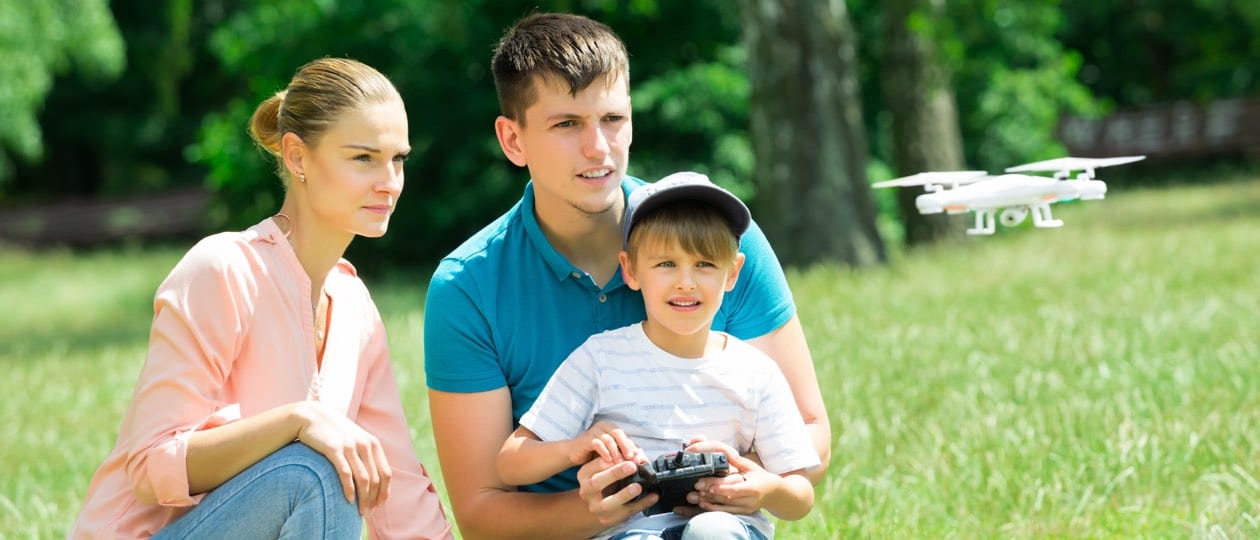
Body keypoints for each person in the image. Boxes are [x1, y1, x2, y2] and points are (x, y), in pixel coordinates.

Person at [423, 12, 831, 539]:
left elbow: (810, 437)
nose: (598, 148)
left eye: (612, 119)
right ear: (513, 139)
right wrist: (602, 507)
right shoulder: (466, 287)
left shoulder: (717, 237)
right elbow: (480, 514)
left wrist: (726, 478)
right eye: (567, 124)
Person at [71, 58, 452, 539]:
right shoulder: (222, 269)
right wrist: (298, 420)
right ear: (297, 157)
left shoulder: (356, 309)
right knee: (316, 470)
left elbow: (394, 485)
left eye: (398, 158)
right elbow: (151, 468)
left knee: (329, 464)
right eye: (363, 158)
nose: (389, 181)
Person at [496, 172, 820, 539]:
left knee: (710, 530)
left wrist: (764, 488)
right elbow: (512, 463)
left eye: (705, 264)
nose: (685, 281)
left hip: (728, 528)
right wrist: (575, 448)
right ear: (630, 270)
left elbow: (800, 495)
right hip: (630, 530)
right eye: (666, 264)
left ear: (732, 273)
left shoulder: (755, 371)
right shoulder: (601, 359)